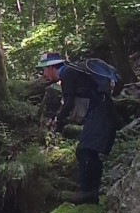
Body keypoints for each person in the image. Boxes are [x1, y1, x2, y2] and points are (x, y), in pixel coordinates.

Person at [36, 51, 118, 205]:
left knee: (85, 150)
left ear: (51, 67)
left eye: (44, 71)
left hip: (101, 113)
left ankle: (87, 192)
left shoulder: (68, 74)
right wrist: (59, 118)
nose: (44, 76)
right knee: (88, 151)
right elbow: (70, 103)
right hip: (102, 112)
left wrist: (58, 120)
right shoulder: (71, 72)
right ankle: (90, 193)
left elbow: (68, 104)